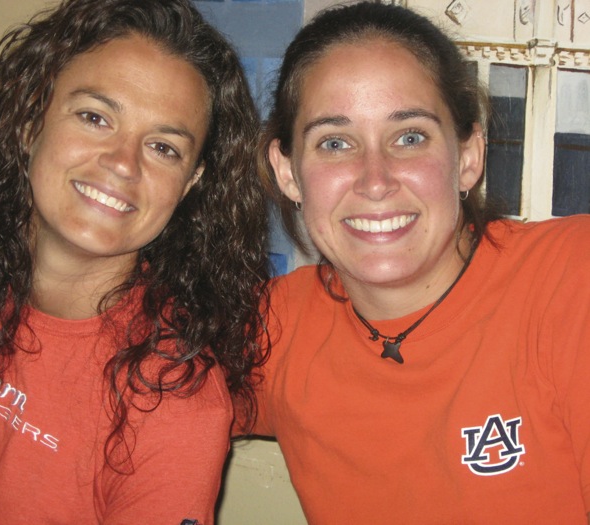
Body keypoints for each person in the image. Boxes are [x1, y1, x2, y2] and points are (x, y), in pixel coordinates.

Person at [0, 0, 269, 522]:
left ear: (191, 185)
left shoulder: (174, 399)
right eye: (95, 117)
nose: (122, 162)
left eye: (163, 148)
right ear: (30, 118)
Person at [253, 2, 590, 523]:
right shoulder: (272, 329)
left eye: (409, 137)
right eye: (335, 142)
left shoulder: (572, 278)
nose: (375, 179)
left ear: (469, 156)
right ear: (289, 172)